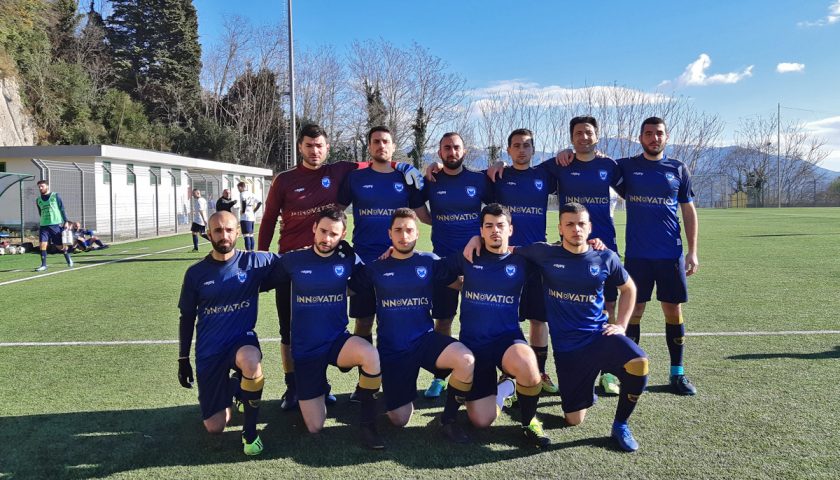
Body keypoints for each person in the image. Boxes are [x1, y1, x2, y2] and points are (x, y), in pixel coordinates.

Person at [257, 123, 423, 410]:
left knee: (326, 327)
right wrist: (261, 256)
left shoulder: (341, 171)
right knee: (289, 331)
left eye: (319, 145)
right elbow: (269, 219)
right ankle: (293, 387)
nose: (314, 151)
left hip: (328, 263)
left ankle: (329, 384)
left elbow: (376, 159)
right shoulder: (283, 180)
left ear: (327, 148)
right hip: (291, 264)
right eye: (309, 145)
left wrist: (402, 165)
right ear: (300, 147)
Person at [515, 202, 648, 452]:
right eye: (570, 224)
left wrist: (621, 324)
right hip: (568, 351)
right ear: (560, 229)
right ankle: (585, 389)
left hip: (599, 337)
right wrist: (475, 242)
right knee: (573, 420)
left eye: (581, 224)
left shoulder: (605, 256)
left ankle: (620, 424)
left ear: (590, 227)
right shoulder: (544, 253)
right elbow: (506, 249)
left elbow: (629, 288)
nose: (576, 229)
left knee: (639, 363)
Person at [350, 208, 475, 443]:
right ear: (390, 234)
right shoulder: (377, 267)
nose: (403, 235)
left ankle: (448, 420)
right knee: (399, 419)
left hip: (424, 341)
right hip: (393, 349)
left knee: (466, 359)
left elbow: (460, 283)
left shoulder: (429, 261)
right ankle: (390, 397)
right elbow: (347, 288)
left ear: (417, 234)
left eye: (409, 230)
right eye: (398, 230)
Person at [274, 208, 384, 449]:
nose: (326, 239)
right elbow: (261, 277)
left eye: (333, 234)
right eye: (323, 231)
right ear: (314, 228)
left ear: (343, 234)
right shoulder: (292, 260)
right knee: (315, 426)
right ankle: (318, 387)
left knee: (370, 354)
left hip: (336, 341)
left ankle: (368, 424)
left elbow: (365, 279)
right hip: (305, 350)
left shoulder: (347, 259)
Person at [176, 211, 279, 456]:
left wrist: (338, 250)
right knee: (215, 426)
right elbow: (187, 317)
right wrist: (182, 359)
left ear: (237, 232)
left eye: (229, 230)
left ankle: (250, 432)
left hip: (240, 341)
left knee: (251, 360)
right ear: (208, 234)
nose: (225, 235)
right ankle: (236, 386)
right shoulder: (195, 273)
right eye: (219, 231)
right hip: (209, 350)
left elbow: (292, 263)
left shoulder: (253, 262)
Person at [451, 203, 550, 448]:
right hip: (474, 346)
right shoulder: (468, 256)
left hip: (507, 340)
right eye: (489, 226)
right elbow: (439, 273)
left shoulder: (522, 260)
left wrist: (594, 245)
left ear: (510, 229)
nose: (495, 231)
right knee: (481, 421)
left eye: (500, 226)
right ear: (481, 231)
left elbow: (560, 252)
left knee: (528, 363)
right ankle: (505, 387)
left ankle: (529, 422)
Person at [546, 117, 624, 395]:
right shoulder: (561, 165)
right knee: (568, 309)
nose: (583, 137)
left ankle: (608, 373)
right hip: (569, 249)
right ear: (571, 137)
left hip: (604, 249)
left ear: (597, 137)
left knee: (608, 309)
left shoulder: (610, 166)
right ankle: (567, 369)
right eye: (578, 133)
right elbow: (524, 171)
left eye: (588, 132)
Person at [336, 126, 427, 355]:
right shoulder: (355, 178)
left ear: (393, 146)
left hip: (399, 260)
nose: (381, 145)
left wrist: (459, 223)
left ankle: (396, 370)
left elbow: (422, 214)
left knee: (396, 319)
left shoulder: (405, 177)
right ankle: (366, 382)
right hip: (364, 259)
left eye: (386, 141)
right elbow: (336, 213)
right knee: (363, 321)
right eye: (376, 141)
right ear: (369, 146)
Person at [416, 132, 493, 399]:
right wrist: (436, 221)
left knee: (477, 320)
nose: (452, 152)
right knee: (443, 320)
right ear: (439, 153)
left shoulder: (478, 179)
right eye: (447, 148)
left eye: (456, 147)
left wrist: (501, 166)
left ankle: (477, 373)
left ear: (464, 151)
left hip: (477, 261)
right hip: (444, 261)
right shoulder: (431, 179)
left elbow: (495, 208)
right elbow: (418, 208)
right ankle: (440, 376)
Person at [489, 129, 559, 394]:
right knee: (508, 317)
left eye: (527, 145)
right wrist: (496, 165)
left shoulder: (544, 175)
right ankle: (507, 374)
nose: (522, 150)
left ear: (533, 149)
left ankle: (539, 371)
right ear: (508, 150)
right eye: (516, 145)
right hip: (507, 256)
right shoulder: (499, 176)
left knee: (539, 319)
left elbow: (573, 160)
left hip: (537, 256)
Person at [34, 180, 73, 271]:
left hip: (55, 225)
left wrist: (66, 221)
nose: (40, 188)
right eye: (39, 187)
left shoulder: (55, 196)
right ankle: (43, 265)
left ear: (47, 186)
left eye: (42, 186)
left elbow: (62, 209)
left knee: (59, 246)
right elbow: (41, 212)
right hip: (44, 226)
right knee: (42, 245)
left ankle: (67, 257)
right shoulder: (38, 200)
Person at [236, 182, 262, 252]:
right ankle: (252, 250)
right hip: (251, 216)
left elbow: (244, 201)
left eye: (238, 188)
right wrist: (254, 210)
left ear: (241, 187)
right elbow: (260, 202)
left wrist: (243, 211)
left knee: (246, 235)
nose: (238, 189)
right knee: (251, 235)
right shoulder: (251, 194)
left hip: (245, 217)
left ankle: (248, 251)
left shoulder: (242, 194)